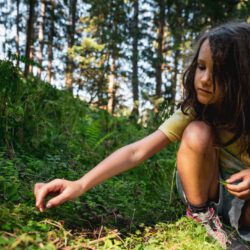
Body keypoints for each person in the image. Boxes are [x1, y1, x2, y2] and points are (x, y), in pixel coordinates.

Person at [34, 22, 250, 249]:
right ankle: (201, 217)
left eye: (218, 73)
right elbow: (137, 151)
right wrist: (80, 184)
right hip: (207, 187)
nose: (205, 79)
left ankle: (231, 226)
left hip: (243, 201)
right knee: (197, 132)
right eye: (201, 67)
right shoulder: (195, 109)